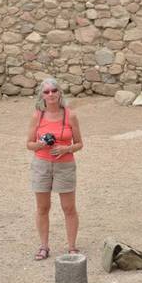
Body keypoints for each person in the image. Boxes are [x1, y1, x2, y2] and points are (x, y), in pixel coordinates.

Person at [26, 77, 83, 261]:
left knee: (69, 207)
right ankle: (44, 246)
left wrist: (66, 148)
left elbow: (80, 143)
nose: (50, 94)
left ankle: (72, 247)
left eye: (53, 91)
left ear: (59, 93)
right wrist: (41, 144)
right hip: (42, 164)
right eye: (46, 91)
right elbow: (29, 144)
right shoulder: (38, 115)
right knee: (43, 207)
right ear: (42, 95)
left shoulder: (70, 115)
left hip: (65, 165)